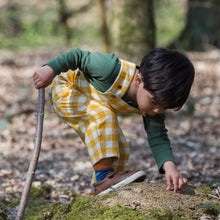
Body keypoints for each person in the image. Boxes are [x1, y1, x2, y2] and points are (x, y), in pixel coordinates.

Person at [33, 48, 195, 195]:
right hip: (66, 90)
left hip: (92, 103)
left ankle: (100, 191)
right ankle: (104, 179)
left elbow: (158, 136)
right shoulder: (109, 68)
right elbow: (77, 56)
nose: (156, 111)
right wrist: (49, 69)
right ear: (138, 80)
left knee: (119, 147)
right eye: (154, 103)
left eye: (163, 108)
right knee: (103, 116)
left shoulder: (153, 106)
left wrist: (170, 168)